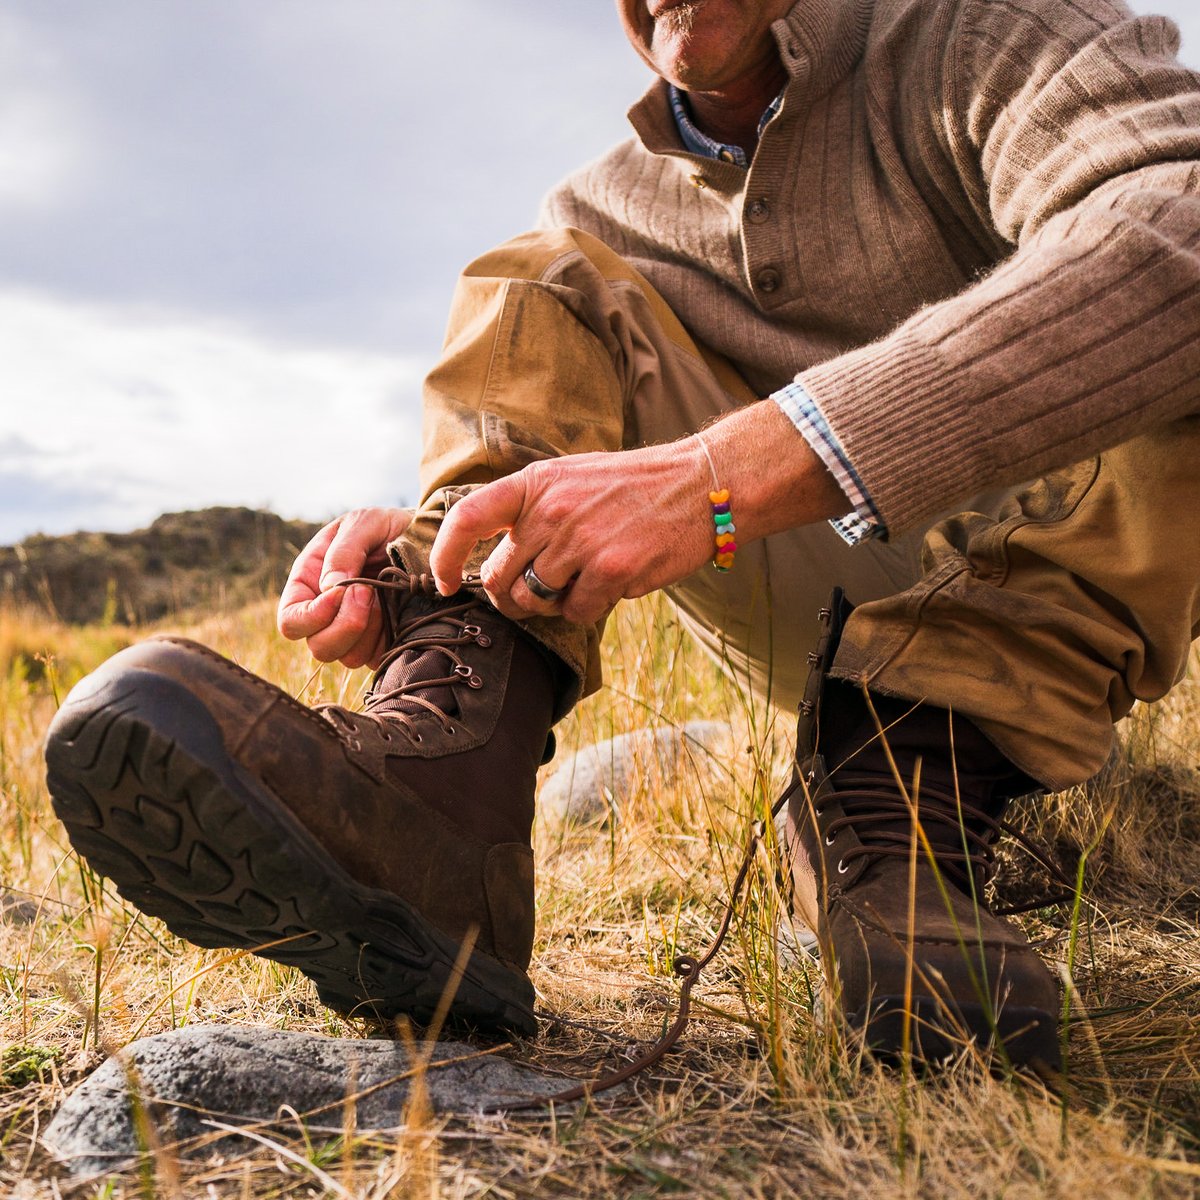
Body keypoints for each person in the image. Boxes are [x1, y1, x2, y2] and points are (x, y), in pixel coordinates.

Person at [45, 0, 1200, 1072]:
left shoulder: (996, 33)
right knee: (540, 281)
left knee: (1161, 322)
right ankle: (446, 818)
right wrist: (444, 548)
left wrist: (721, 476)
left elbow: (1178, 235)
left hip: (1095, 592)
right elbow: (572, 436)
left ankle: (902, 794)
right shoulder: (602, 211)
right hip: (819, 593)